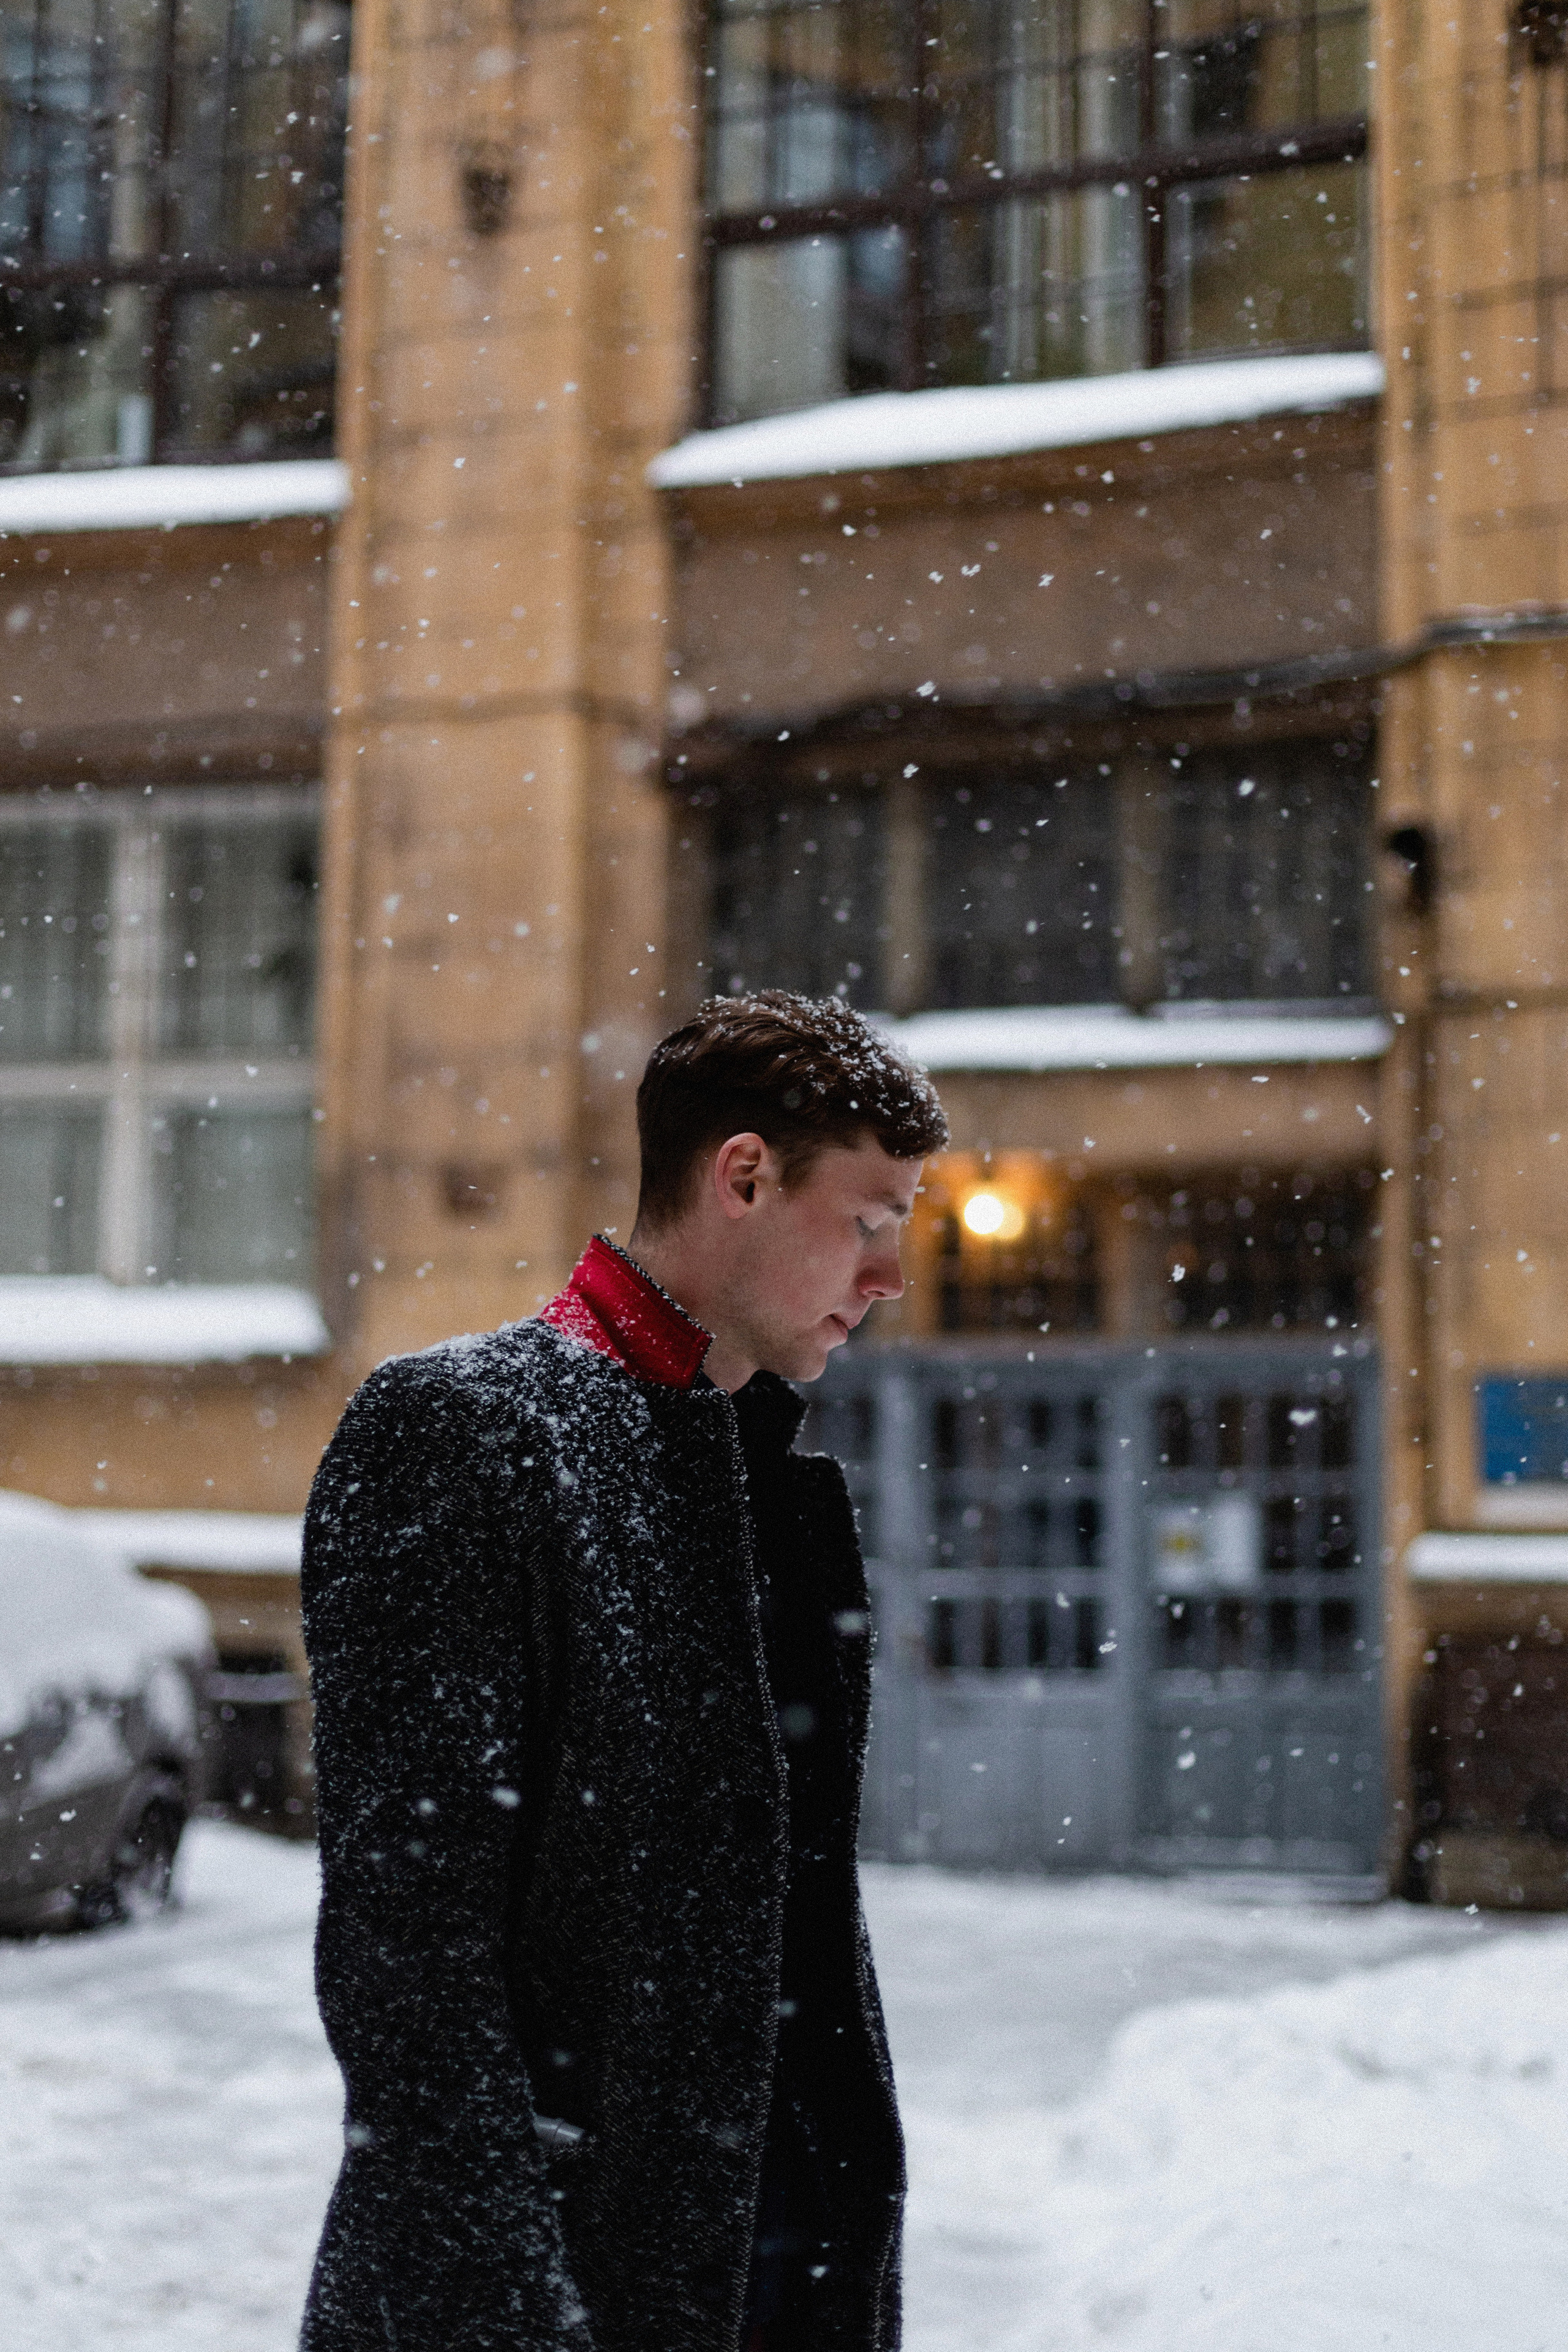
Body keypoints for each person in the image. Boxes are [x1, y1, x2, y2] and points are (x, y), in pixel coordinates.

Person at [300, 990, 949, 2352]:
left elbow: (795, 1931)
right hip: (561, 2286)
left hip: (781, 2271)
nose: (890, 1277)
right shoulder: (457, 1434)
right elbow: (407, 1959)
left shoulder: (767, 1486)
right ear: (743, 1176)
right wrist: (510, 2314)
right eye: (871, 1221)